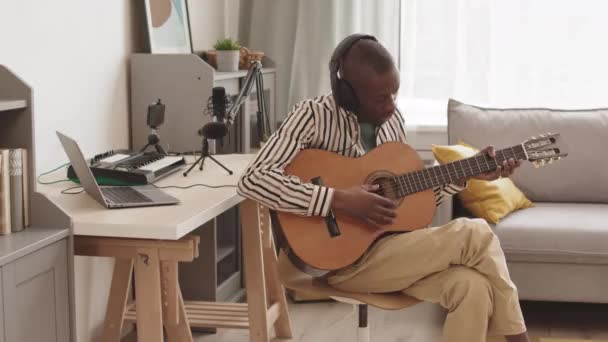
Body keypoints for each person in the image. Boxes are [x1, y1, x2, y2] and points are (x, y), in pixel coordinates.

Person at [237, 33, 528, 342]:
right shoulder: (312, 115)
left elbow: (414, 200)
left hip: (396, 252)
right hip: (342, 262)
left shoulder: (393, 121)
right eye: (380, 98)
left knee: (473, 287)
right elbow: (253, 179)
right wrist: (337, 200)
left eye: (395, 94)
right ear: (348, 94)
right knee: (476, 232)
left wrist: (467, 175)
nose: (391, 106)